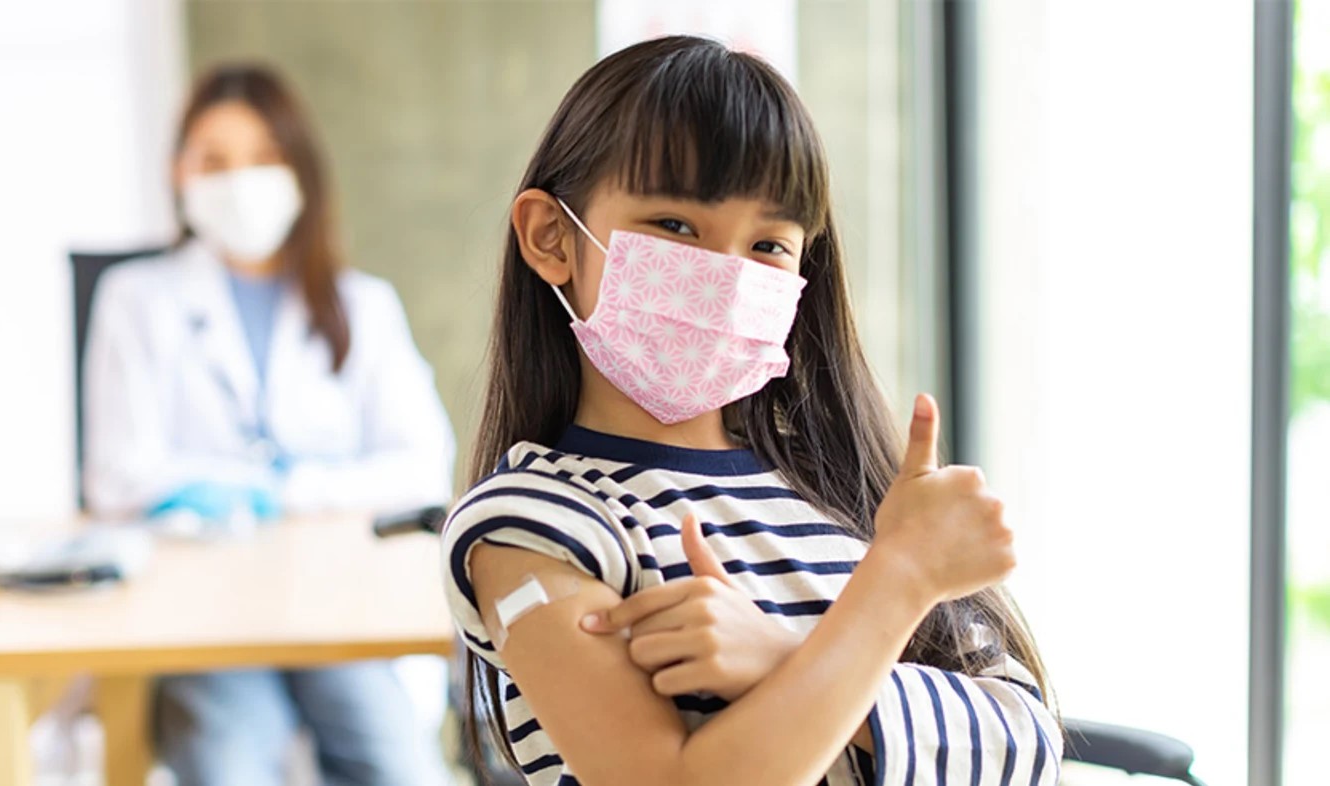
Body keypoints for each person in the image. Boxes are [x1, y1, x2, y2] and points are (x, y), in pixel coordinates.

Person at [440, 36, 1061, 786]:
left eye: (768, 243)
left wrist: (779, 657)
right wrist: (895, 580)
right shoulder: (533, 524)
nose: (728, 275)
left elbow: (1024, 741)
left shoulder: (847, 487)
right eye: (674, 226)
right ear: (552, 237)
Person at [82, 63, 454, 786]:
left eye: (261, 158)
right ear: (178, 174)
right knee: (225, 760)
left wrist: (284, 489)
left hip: (338, 606)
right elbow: (118, 477)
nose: (238, 181)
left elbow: (419, 463)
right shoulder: (137, 299)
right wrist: (247, 491)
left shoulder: (362, 305)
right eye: (213, 160)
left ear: (299, 172)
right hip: (206, 614)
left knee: (395, 762)